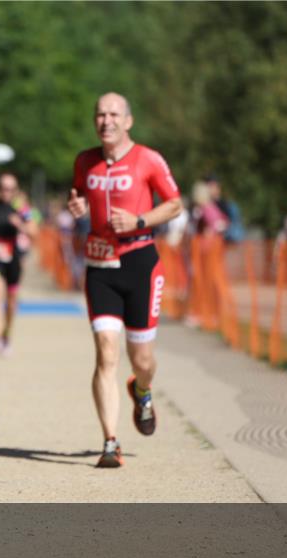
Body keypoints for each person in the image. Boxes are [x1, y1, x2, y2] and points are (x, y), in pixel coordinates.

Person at [67, 92, 182, 468]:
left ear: (128, 121)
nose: (106, 120)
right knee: (106, 353)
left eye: (114, 114)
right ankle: (110, 442)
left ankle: (142, 388)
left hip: (140, 263)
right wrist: (78, 207)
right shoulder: (85, 161)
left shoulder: (148, 159)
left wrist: (140, 221)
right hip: (100, 266)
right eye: (100, 114)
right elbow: (79, 197)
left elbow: (175, 203)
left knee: (142, 359)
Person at [0, 173, 38, 355]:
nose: (7, 192)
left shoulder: (21, 208)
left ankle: (6, 335)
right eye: (3, 188)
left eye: (10, 188)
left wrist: (20, 225)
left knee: (12, 302)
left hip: (13, 259)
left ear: (16, 190)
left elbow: (34, 231)